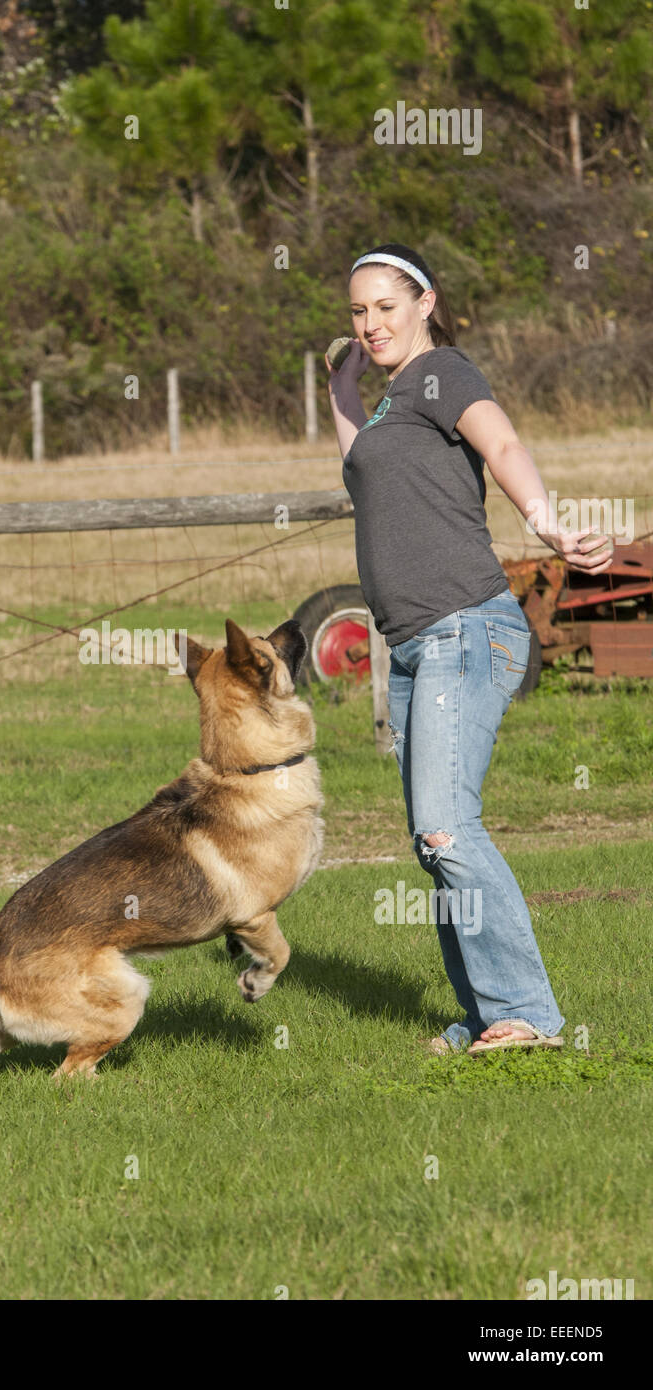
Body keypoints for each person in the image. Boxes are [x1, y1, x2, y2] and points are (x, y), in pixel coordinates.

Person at [325, 242, 613, 1055]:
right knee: (430, 842)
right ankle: (488, 1015)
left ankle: (530, 1016)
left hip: (465, 627)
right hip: (413, 646)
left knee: (449, 828)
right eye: (358, 311)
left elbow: (505, 447)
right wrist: (341, 387)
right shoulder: (386, 405)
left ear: (425, 302)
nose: (371, 322)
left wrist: (547, 520)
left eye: (386, 306)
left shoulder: (442, 371)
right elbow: (359, 470)